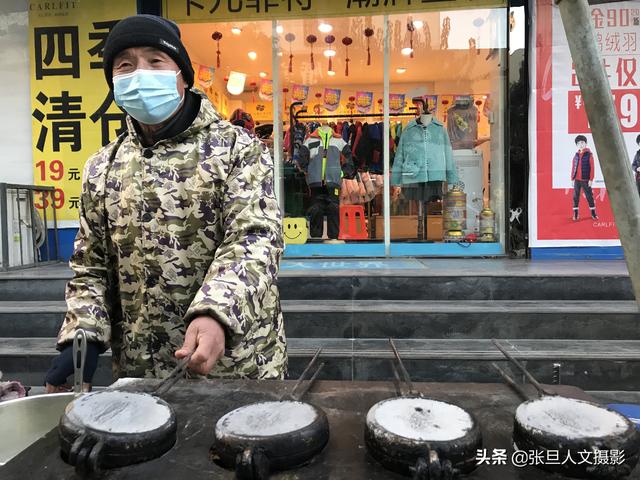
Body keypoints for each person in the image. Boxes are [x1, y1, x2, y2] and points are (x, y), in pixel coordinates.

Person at [44, 15, 286, 392]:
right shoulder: (101, 167)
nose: (139, 73)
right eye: (125, 64)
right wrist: (83, 337)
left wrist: (216, 314)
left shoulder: (238, 149)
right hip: (142, 374)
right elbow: (90, 266)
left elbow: (254, 239)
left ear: (183, 75)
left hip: (235, 368)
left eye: (155, 60)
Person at [570, 135, 598, 221]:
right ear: (577, 145)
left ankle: (593, 213)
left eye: (582, 142)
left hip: (585, 180)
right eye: (578, 143)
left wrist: (591, 179)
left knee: (589, 196)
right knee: (576, 197)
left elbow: (592, 168)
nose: (580, 145)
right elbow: (573, 167)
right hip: (577, 180)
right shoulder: (576, 155)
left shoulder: (589, 155)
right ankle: (576, 213)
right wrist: (572, 178)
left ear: (586, 143)